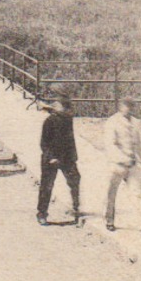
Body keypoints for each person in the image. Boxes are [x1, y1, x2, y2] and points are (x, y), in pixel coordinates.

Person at [37, 88, 81, 225]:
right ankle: (42, 213)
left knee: (75, 179)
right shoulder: (49, 121)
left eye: (59, 104)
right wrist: (51, 157)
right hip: (51, 159)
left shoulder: (67, 119)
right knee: (47, 186)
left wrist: (73, 158)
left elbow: (69, 139)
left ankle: (76, 208)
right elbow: (44, 143)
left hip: (67, 157)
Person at [103, 96, 141, 231]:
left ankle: (140, 222)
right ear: (120, 107)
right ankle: (109, 220)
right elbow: (110, 144)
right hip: (117, 164)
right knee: (111, 193)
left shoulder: (135, 122)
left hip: (133, 163)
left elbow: (138, 142)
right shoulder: (112, 122)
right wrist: (122, 158)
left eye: (130, 106)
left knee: (136, 193)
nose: (127, 109)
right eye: (125, 106)